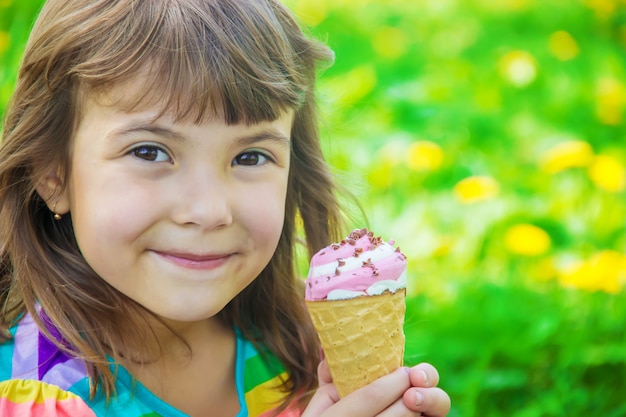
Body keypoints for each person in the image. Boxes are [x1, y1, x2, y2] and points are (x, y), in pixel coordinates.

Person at [0, 0, 451, 416]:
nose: (209, 210)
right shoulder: (41, 396)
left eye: (250, 157)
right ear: (52, 174)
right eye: (150, 152)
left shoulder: (296, 347)